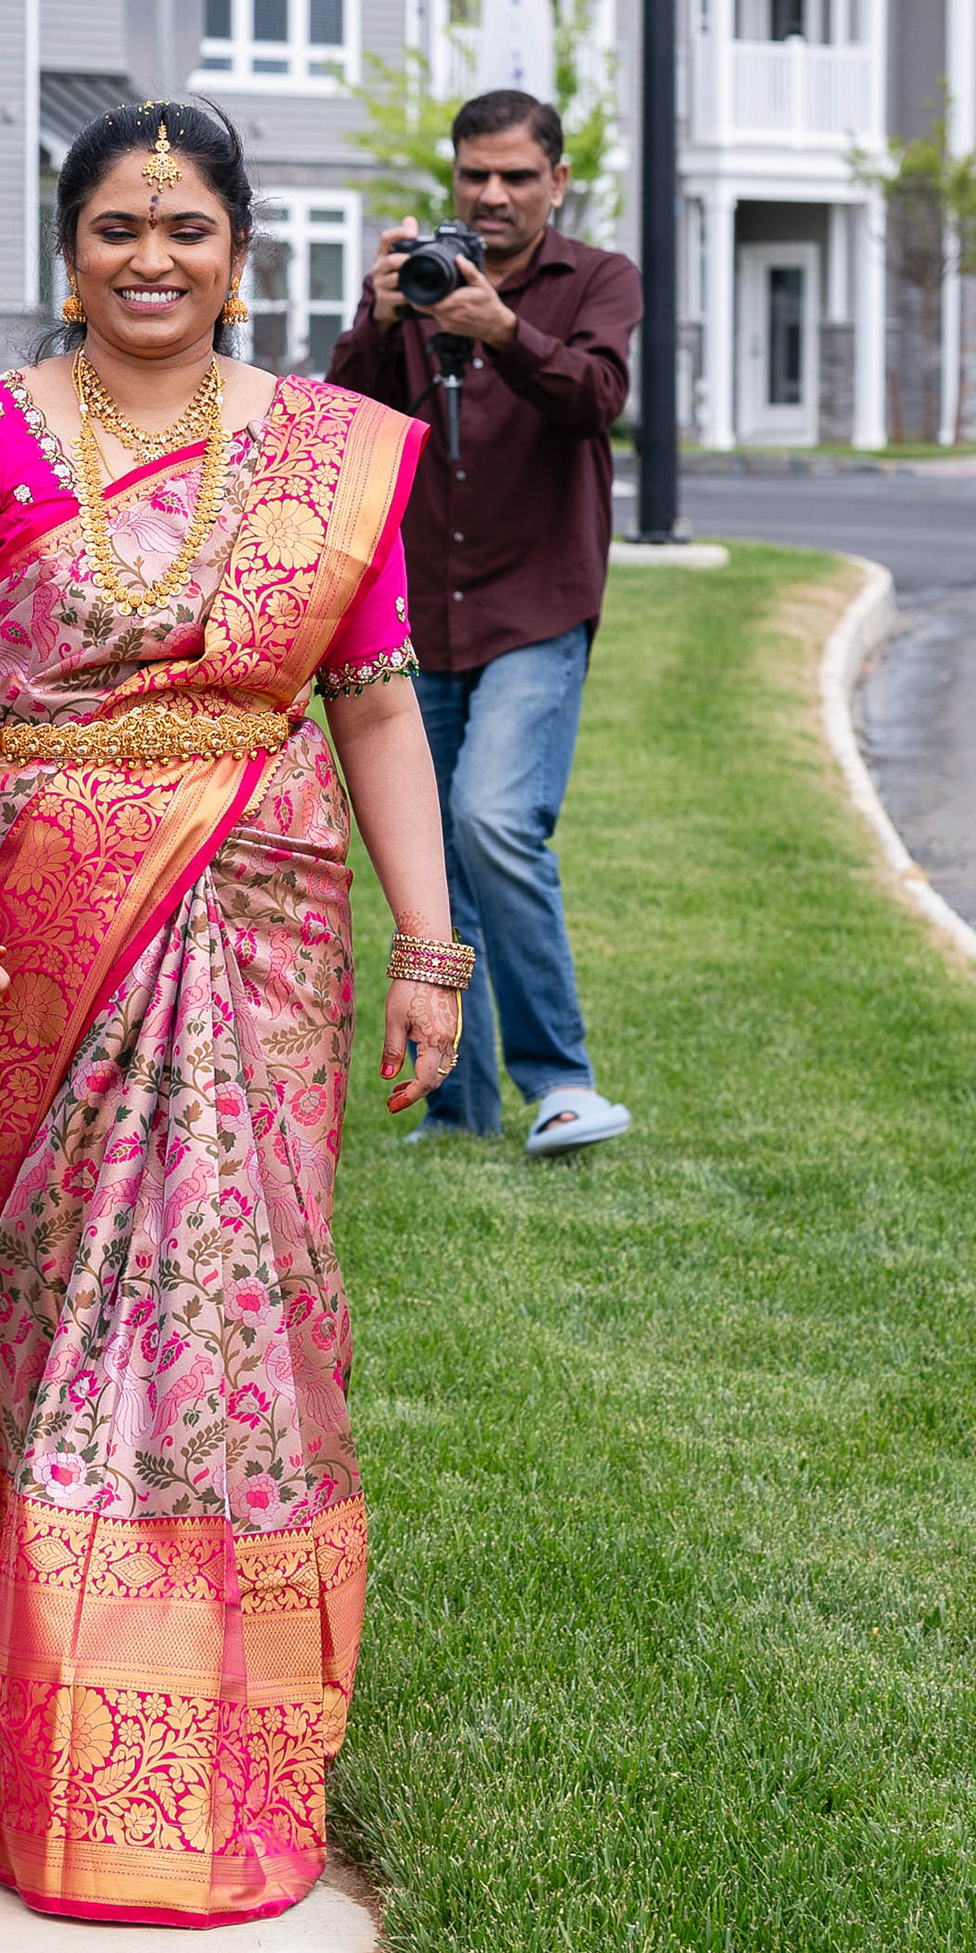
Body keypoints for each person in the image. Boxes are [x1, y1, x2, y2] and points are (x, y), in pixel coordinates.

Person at [0, 98, 465, 1929]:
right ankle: (53, 1761)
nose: (152, 257)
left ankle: (231, 1743)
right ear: (68, 251)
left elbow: (375, 705)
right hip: (40, 927)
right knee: (54, 1329)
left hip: (261, 912)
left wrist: (431, 950)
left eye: (187, 227)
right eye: (118, 226)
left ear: (240, 255)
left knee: (238, 1321)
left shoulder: (323, 449)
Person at [326, 88, 641, 1156]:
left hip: (537, 600)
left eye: (516, 175)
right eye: (475, 174)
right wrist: (379, 319)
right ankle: (459, 1106)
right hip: (422, 613)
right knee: (432, 857)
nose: (493, 194)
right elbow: (346, 423)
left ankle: (562, 1082)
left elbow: (597, 397)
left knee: (495, 819)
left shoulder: (597, 279)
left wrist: (504, 331)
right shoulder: (419, 277)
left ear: (558, 180)